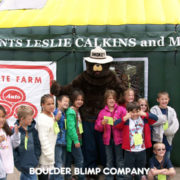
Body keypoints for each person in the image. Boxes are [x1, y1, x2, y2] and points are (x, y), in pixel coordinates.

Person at [114, 102, 158, 180]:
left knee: (139, 172)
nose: (134, 114)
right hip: (129, 151)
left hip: (142, 150)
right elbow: (116, 124)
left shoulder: (144, 120)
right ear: (128, 112)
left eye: (136, 111)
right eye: (132, 112)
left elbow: (155, 118)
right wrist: (125, 117)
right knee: (128, 172)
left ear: (140, 111)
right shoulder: (126, 121)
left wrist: (144, 114)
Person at [95, 89, 126, 180]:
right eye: (109, 98)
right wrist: (102, 123)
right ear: (106, 100)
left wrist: (118, 122)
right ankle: (109, 177)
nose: (111, 100)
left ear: (116, 99)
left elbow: (126, 123)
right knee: (109, 160)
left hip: (118, 140)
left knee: (119, 160)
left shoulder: (121, 109)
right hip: (107, 140)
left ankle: (120, 177)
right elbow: (97, 127)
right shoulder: (102, 112)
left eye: (113, 98)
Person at [13, 105, 41, 180]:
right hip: (22, 163)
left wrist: (36, 157)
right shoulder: (16, 131)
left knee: (26, 176)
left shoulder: (33, 131)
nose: (31, 120)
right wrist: (17, 162)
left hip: (32, 161)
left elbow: (37, 145)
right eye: (29, 119)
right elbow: (14, 148)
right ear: (22, 119)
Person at [150, 91, 179, 158]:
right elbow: (152, 121)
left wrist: (168, 132)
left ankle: (165, 167)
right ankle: (156, 168)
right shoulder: (154, 110)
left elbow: (175, 123)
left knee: (167, 154)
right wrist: (162, 119)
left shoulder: (171, 110)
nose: (164, 101)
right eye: (162, 99)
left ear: (168, 100)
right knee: (156, 155)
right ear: (158, 100)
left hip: (167, 137)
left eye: (166, 99)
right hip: (157, 137)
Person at [36, 94, 57, 180]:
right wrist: (49, 155)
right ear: (42, 105)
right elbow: (43, 139)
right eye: (48, 104)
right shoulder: (42, 119)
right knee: (43, 177)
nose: (51, 106)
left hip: (50, 154)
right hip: (44, 157)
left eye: (52, 103)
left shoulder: (51, 115)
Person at [65, 90, 85, 180]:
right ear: (73, 100)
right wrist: (76, 140)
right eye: (77, 99)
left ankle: (68, 177)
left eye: (81, 99)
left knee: (68, 160)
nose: (80, 101)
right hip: (73, 140)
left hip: (76, 140)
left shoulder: (76, 110)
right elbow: (71, 128)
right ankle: (81, 177)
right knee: (79, 160)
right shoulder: (71, 112)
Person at [50, 95, 70, 180]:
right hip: (57, 142)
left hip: (63, 142)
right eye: (64, 101)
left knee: (61, 163)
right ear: (58, 101)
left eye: (68, 102)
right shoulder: (54, 112)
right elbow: (51, 126)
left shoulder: (65, 113)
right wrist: (56, 119)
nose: (66, 103)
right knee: (58, 164)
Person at [0, 105, 20, 180]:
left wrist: (16, 134)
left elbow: (15, 144)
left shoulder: (6, 131)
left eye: (3, 117)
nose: (1, 119)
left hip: (4, 169)